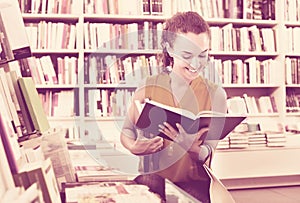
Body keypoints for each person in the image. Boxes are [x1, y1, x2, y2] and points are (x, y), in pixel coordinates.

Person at [120, 11, 229, 202]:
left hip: (194, 185)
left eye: (203, 55)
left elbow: (208, 152)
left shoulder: (216, 94)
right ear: (169, 49)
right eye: (187, 55)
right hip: (152, 180)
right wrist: (135, 147)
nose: (196, 64)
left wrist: (192, 148)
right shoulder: (148, 86)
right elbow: (127, 131)